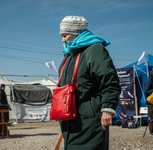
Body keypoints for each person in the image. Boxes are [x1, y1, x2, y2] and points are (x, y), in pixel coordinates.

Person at [58, 16, 121, 150]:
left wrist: (107, 109)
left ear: (76, 33)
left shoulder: (94, 49)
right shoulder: (69, 55)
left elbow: (110, 80)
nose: (63, 39)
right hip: (70, 120)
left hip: (89, 120)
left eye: (65, 35)